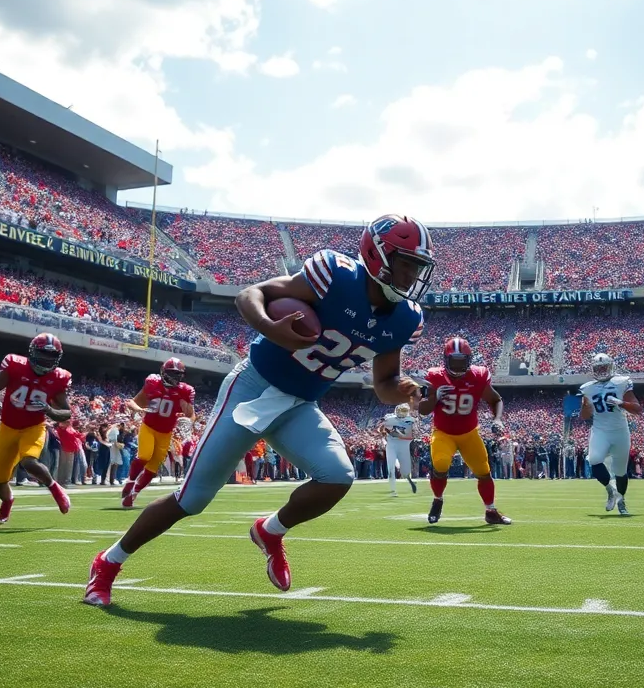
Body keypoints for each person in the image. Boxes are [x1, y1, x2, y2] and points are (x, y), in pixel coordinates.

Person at [84, 215, 433, 605]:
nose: (412, 275)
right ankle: (108, 562)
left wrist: (406, 391)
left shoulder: (406, 318)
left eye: (418, 266)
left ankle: (270, 531)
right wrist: (269, 326)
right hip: (252, 389)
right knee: (192, 498)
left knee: (338, 476)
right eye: (406, 263)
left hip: (299, 405)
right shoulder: (335, 275)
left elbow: (385, 384)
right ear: (377, 254)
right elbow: (250, 294)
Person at [0, 334, 73, 524]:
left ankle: (55, 489)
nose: (46, 359)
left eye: (51, 355)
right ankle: (7, 499)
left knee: (29, 462)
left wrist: (49, 410)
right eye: (43, 353)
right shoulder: (15, 366)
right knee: (0, 480)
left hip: (34, 427)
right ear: (33, 352)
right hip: (8, 427)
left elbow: (67, 413)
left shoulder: (58, 377)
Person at [419, 337, 511, 525]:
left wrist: (497, 419)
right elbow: (423, 410)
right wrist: (435, 397)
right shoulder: (434, 377)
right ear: (446, 360)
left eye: (462, 361)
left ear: (469, 360)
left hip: (469, 433)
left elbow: (495, 399)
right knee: (440, 464)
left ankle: (491, 511)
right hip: (443, 432)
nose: (458, 366)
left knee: (483, 471)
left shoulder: (478, 376)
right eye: (454, 361)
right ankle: (437, 499)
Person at [121, 358, 197, 507]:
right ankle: (130, 481)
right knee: (144, 456)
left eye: (178, 374)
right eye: (172, 373)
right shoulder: (152, 383)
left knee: (153, 469)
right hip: (148, 427)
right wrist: (138, 409)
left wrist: (189, 420)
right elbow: (133, 402)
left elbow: (191, 414)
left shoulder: (185, 390)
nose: (176, 377)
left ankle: (134, 493)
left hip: (166, 433)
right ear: (163, 372)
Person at [579, 353, 642, 514]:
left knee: (620, 471)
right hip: (600, 430)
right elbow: (584, 416)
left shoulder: (621, 382)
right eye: (598, 368)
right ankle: (610, 490)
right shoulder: (588, 388)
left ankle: (621, 501)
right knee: (594, 460)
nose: (601, 371)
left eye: (604, 367)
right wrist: (585, 406)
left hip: (620, 431)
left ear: (611, 366)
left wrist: (621, 403)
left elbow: (637, 409)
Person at [379, 402, 419, 496]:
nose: (403, 413)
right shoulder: (390, 419)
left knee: (405, 467)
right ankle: (393, 490)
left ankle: (408, 479)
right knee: (391, 468)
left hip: (403, 445)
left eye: (405, 411)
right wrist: (386, 432)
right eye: (402, 411)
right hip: (391, 445)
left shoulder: (410, 420)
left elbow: (414, 433)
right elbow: (380, 429)